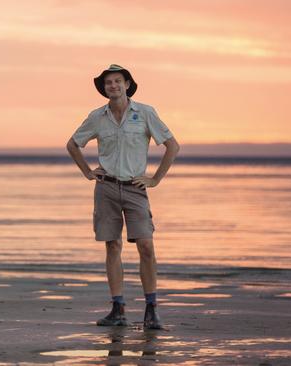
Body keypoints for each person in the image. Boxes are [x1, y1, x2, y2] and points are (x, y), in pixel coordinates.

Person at [66, 64, 180, 329]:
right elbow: (72, 144)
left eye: (118, 81)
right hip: (106, 187)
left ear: (127, 84)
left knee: (146, 246)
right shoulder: (97, 117)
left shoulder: (145, 113)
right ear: (104, 88)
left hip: (135, 188)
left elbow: (172, 145)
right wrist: (86, 172)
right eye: (108, 83)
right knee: (112, 245)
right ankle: (117, 309)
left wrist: (155, 179)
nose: (113, 86)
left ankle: (151, 309)